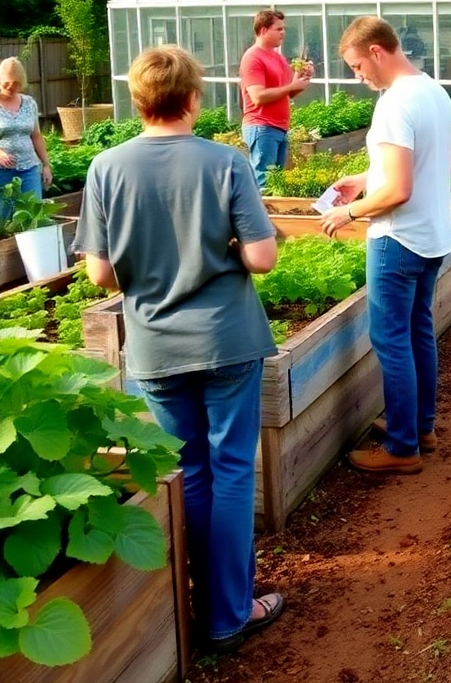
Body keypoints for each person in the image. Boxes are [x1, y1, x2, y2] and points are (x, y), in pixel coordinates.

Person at [74, 46, 285, 654]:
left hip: (155, 345)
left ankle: (198, 611)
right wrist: (223, 247)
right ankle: (227, 614)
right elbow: (263, 258)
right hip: (226, 338)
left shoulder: (106, 168)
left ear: (138, 102)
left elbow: (100, 277)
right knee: (232, 470)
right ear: (193, 98)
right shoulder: (226, 162)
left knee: (189, 472)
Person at [321, 17, 451, 474]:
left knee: (391, 339)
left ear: (377, 52)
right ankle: (421, 427)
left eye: (358, 65)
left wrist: (350, 211)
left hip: (396, 238)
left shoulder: (393, 104)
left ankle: (403, 448)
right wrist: (367, 179)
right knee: (418, 332)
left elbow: (398, 191)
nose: (357, 76)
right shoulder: (433, 90)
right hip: (432, 235)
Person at [239, 9, 312, 188]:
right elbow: (257, 96)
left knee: (276, 182)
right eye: (278, 29)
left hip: (278, 127)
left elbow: (288, 92)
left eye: (283, 29)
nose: (283, 33)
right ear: (263, 31)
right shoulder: (252, 58)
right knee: (264, 182)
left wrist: (302, 77)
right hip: (262, 126)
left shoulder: (277, 57)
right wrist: (291, 86)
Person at [0, 56, 52, 204]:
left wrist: (46, 165)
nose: (11, 87)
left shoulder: (29, 103)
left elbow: (36, 136)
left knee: (32, 212)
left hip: (29, 168)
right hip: (2, 172)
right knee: (5, 218)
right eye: (6, 83)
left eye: (16, 83)